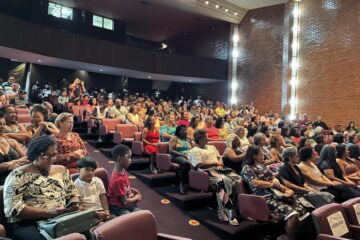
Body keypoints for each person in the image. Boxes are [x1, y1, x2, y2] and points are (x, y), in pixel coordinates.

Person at [3, 135, 80, 240]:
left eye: (54, 155)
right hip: (29, 223)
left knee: (86, 232)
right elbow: (13, 209)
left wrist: (74, 202)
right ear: (35, 155)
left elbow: (72, 192)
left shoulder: (61, 170)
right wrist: (45, 213)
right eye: (45, 155)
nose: (51, 159)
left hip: (59, 219)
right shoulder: (18, 175)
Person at [241, 146, 310, 240]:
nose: (263, 156)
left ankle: (286, 235)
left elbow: (272, 177)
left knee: (303, 211)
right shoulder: (247, 168)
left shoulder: (262, 165)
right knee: (293, 215)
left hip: (277, 194)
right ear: (253, 156)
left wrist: (277, 182)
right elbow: (254, 182)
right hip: (264, 197)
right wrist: (271, 184)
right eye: (261, 154)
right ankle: (288, 237)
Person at [188, 129, 240, 226]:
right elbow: (199, 165)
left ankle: (240, 208)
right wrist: (215, 163)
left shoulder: (211, 147)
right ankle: (227, 213)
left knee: (238, 179)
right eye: (205, 137)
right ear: (199, 139)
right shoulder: (194, 151)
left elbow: (219, 156)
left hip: (218, 170)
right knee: (225, 181)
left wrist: (220, 163)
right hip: (205, 174)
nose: (208, 139)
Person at [108, 144, 142, 216]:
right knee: (131, 219)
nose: (130, 160)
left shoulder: (122, 170)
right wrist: (136, 197)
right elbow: (125, 202)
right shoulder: (118, 179)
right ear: (119, 159)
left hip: (125, 201)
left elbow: (125, 187)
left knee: (140, 214)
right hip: (118, 207)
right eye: (129, 157)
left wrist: (131, 192)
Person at [74, 157, 110, 221]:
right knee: (102, 227)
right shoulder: (75, 185)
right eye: (87, 169)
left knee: (118, 223)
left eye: (93, 170)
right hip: (87, 214)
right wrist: (97, 214)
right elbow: (80, 207)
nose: (90, 172)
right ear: (78, 170)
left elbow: (103, 197)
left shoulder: (98, 181)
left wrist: (106, 211)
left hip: (101, 210)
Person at [0, 111, 28, 184]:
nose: (2, 126)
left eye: (4, 124)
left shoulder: (12, 141)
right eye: (0, 124)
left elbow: (26, 158)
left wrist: (11, 163)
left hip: (17, 177)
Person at [169, 124, 192, 194]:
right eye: (183, 130)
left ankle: (194, 183)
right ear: (178, 131)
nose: (185, 131)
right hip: (176, 156)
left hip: (188, 155)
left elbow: (192, 148)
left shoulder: (187, 139)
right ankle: (182, 183)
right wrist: (182, 155)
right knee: (186, 163)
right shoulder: (174, 138)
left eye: (185, 130)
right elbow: (171, 150)